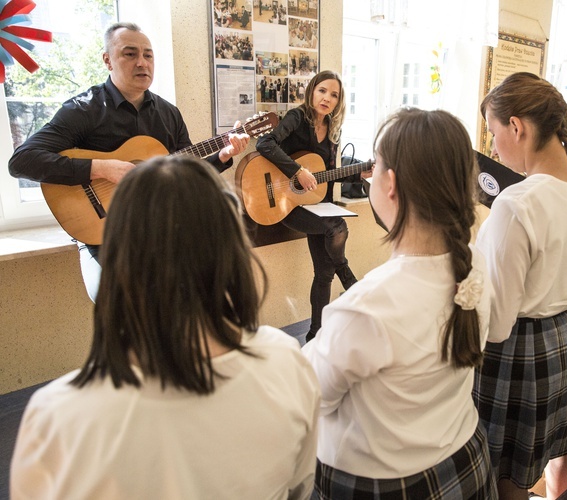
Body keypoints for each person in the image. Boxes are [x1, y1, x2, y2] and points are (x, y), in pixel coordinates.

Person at [10, 156, 321, 499]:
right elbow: (300, 485)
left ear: (119, 256)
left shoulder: (57, 417)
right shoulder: (288, 362)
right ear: (232, 250)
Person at [302, 108, 497, 499]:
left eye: (375, 166)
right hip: (464, 458)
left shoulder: (366, 307)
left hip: (382, 483)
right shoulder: (475, 262)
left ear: (389, 183)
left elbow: (307, 398)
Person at [7, 22, 250, 302]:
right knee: (119, 301)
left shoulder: (168, 114)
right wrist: (101, 168)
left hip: (156, 229)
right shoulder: (83, 109)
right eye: (130, 54)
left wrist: (222, 155)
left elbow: (186, 174)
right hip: (104, 234)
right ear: (108, 60)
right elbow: (22, 161)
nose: (142, 62)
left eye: (148, 55)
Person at [473, 72, 567, 500]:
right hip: (562, 342)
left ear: (517, 127)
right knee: (528, 470)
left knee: (498, 476)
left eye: (494, 132)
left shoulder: (518, 201)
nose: (492, 147)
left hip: (512, 350)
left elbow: (495, 320)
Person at [256, 70, 363, 342]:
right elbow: (264, 143)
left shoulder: (334, 133)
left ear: (339, 103)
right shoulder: (297, 117)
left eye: (334, 95)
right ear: (312, 91)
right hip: (284, 204)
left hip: (315, 207)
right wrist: (296, 171)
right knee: (337, 228)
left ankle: (316, 334)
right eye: (323, 90)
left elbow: (329, 175)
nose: (327, 98)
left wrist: (359, 174)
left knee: (324, 272)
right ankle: (348, 277)